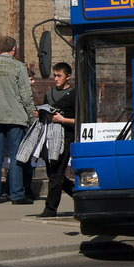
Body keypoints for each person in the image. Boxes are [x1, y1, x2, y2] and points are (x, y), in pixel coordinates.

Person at [0, 35, 35, 205]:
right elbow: (26, 95)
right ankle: (17, 194)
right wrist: (30, 116)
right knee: (16, 157)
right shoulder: (19, 67)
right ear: (14, 49)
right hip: (15, 116)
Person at [39, 63, 76, 218]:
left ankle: (50, 209)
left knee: (57, 172)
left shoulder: (74, 95)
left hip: (66, 137)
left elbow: (79, 120)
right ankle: (78, 193)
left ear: (68, 77)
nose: (56, 79)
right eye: (54, 75)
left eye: (59, 75)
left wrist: (63, 119)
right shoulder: (49, 94)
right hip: (50, 137)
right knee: (54, 173)